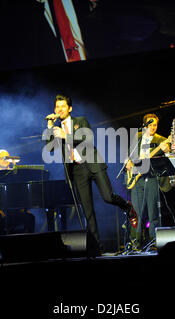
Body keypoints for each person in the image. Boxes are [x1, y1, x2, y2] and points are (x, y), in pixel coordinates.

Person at [44, 94, 138, 251]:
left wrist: (65, 135)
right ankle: (97, 247)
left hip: (92, 163)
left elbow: (87, 138)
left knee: (108, 197)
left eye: (63, 106)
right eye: (57, 107)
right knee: (87, 211)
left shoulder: (80, 120)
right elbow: (50, 148)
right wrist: (49, 128)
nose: (60, 109)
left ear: (70, 108)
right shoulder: (55, 129)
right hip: (77, 170)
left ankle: (128, 207)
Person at [125, 114, 170, 248]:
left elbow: (168, 158)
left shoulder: (161, 140)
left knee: (153, 213)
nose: (152, 127)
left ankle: (154, 242)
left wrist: (167, 151)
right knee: (136, 213)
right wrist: (127, 161)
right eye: (150, 125)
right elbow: (129, 154)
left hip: (151, 178)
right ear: (144, 125)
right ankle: (135, 243)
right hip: (136, 179)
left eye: (155, 125)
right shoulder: (137, 137)